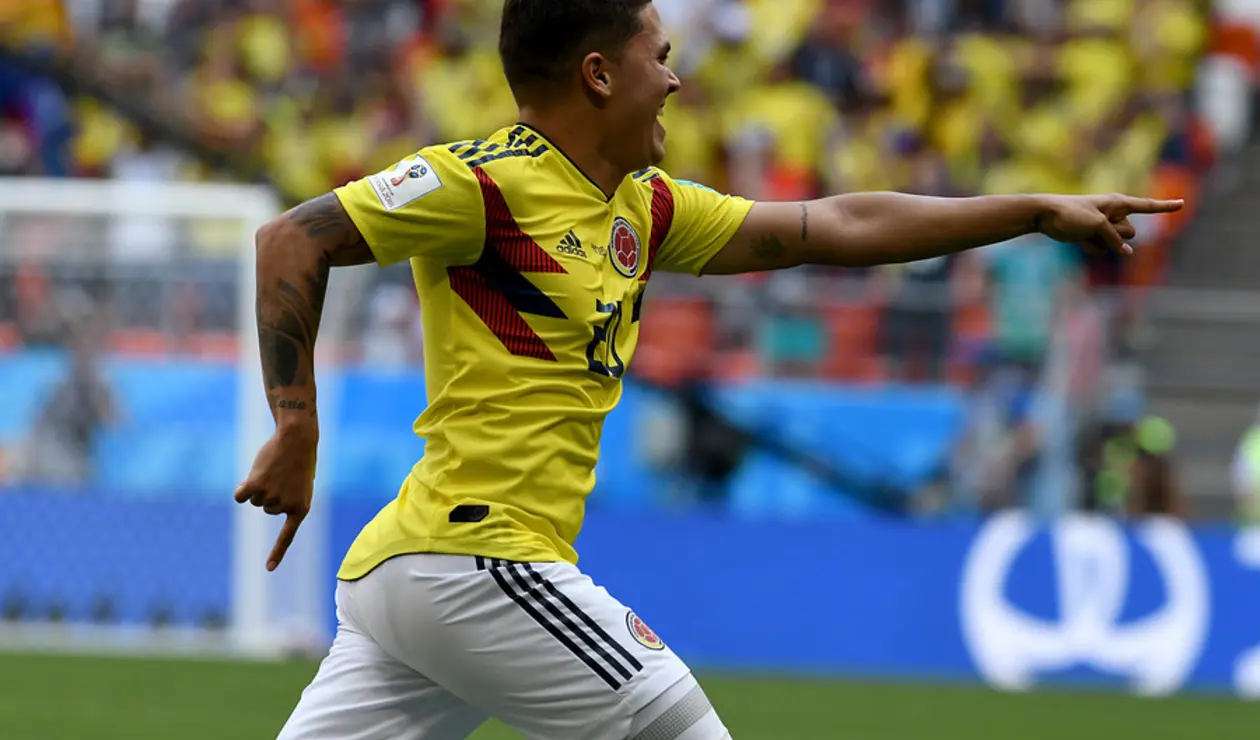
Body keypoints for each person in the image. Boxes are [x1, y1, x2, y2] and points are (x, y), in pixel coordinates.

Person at [233, 2, 1182, 738]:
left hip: (423, 570)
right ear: (599, 75)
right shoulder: (475, 183)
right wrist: (297, 422)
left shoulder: (638, 207)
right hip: (475, 560)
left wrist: (1029, 208)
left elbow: (833, 227)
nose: (677, 81)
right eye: (661, 56)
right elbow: (290, 240)